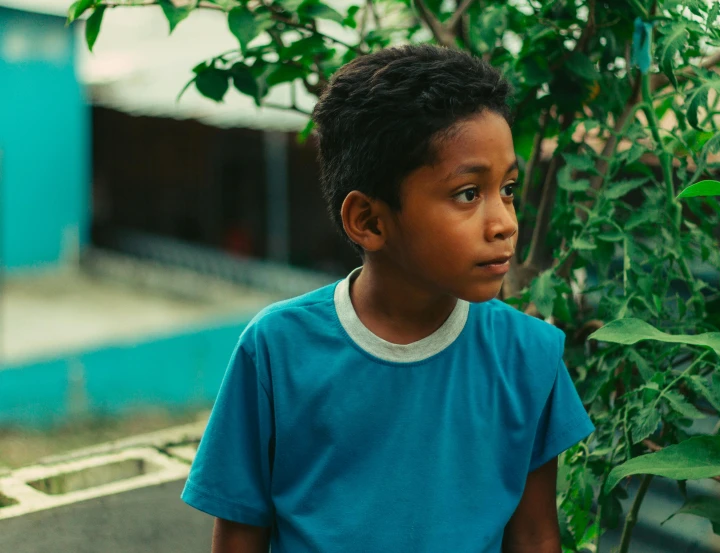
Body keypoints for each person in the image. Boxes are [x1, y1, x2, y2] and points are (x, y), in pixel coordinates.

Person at [181, 44, 595, 553]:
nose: (505, 223)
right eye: (468, 194)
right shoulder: (276, 351)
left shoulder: (530, 358)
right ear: (370, 221)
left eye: (508, 188)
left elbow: (535, 538)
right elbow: (240, 539)